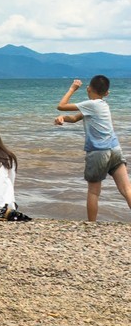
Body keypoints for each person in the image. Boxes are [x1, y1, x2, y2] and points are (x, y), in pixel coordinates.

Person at [54, 75, 131, 221]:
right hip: (115, 149)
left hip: (98, 152)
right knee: (127, 189)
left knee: (94, 192)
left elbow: (61, 105)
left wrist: (72, 89)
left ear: (88, 88)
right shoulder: (101, 105)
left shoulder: (91, 104)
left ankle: (92, 225)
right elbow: (76, 118)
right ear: (106, 93)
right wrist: (63, 118)